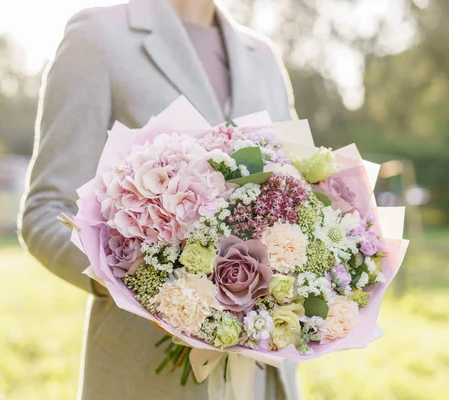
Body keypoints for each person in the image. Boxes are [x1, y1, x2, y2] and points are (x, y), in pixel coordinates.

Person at [19, 0, 300, 398]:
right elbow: (46, 211)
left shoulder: (264, 56)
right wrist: (142, 286)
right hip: (148, 375)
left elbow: (297, 187)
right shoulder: (97, 36)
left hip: (265, 377)